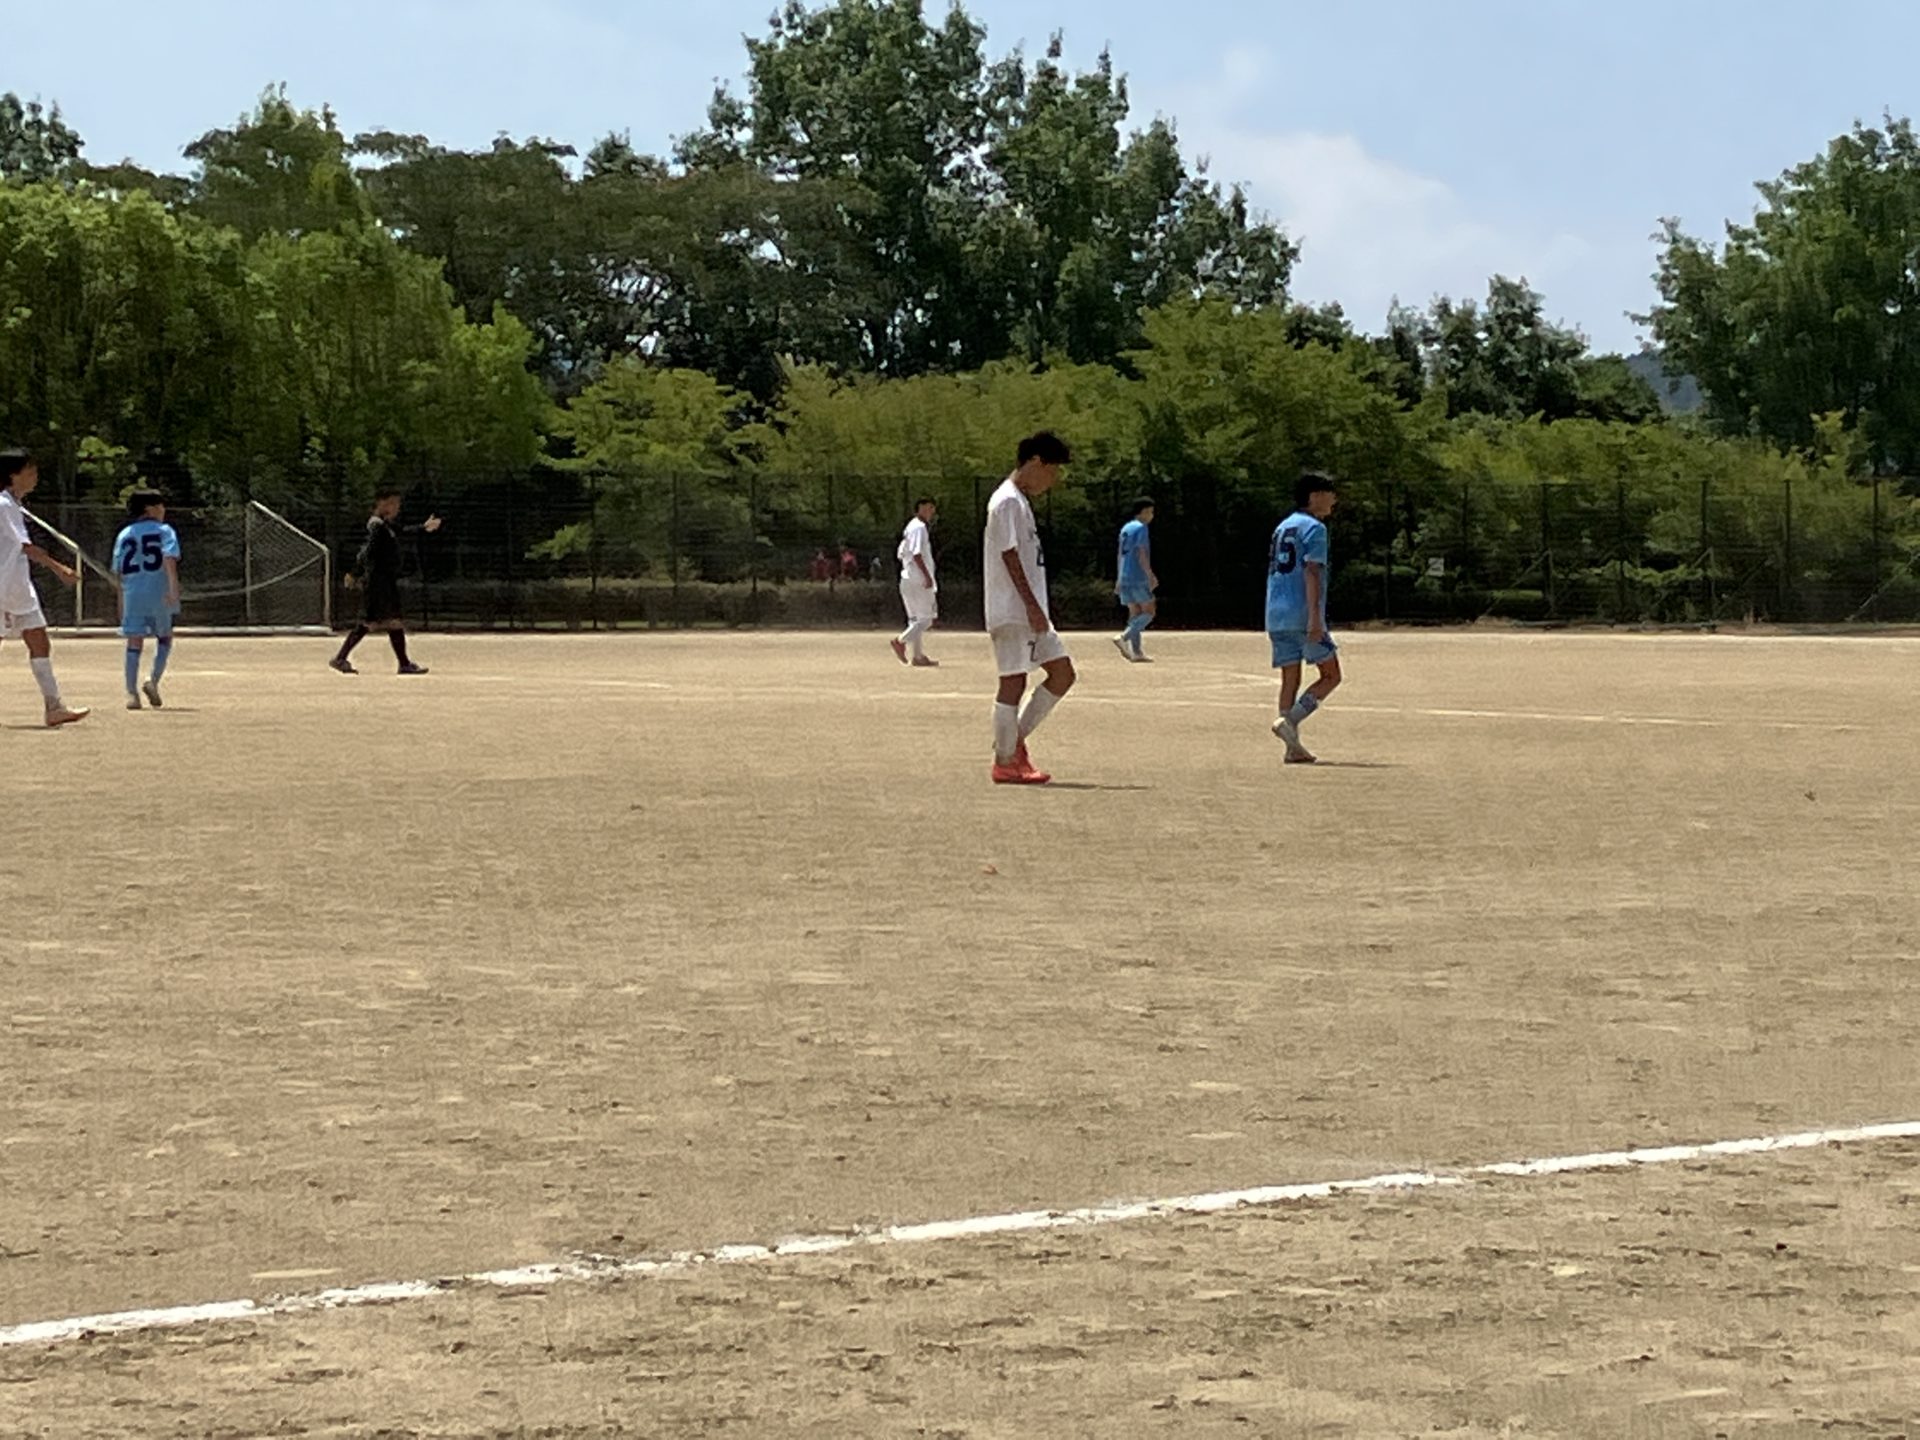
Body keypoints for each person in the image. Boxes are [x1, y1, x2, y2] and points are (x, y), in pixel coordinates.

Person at [985, 432, 1075, 785]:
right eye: (1052, 471)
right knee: (1013, 680)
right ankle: (1005, 760)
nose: (1052, 481)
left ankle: (1011, 743)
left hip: (1029, 611)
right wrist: (1031, 606)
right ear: (1036, 462)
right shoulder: (1006, 501)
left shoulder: (1019, 502)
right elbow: (1008, 555)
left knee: (1062, 673)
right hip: (1013, 610)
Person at [0, 450, 87, 727]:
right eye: (30, 471)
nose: (35, 477)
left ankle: (54, 706)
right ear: (13, 475)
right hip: (4, 586)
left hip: (17, 586)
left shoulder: (12, 504)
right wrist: (58, 568)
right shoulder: (4, 504)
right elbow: (25, 546)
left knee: (39, 640)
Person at [1268, 471, 1342, 764]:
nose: (1334, 499)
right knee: (1331, 675)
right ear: (1315, 496)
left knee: (1290, 677)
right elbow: (1312, 571)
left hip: (1276, 611)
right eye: (1330, 493)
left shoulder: (1282, 526)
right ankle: (1290, 721)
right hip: (1302, 612)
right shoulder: (1315, 528)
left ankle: (1292, 747)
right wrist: (1315, 618)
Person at [331, 489, 440, 675]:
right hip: (377, 582)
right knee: (371, 622)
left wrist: (423, 527)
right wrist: (355, 573)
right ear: (382, 503)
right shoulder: (376, 526)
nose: (396, 508)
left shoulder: (385, 525)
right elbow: (367, 552)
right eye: (393, 503)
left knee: (391, 621)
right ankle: (341, 658)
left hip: (386, 581)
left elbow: (403, 531)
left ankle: (403, 663)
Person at [113, 487, 181, 710]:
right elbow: (169, 559)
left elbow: (119, 571)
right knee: (164, 637)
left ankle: (132, 694)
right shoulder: (165, 531)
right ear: (149, 509)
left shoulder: (124, 534)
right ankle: (152, 680)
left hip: (132, 593)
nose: (163, 510)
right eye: (160, 505)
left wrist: (121, 601)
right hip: (158, 591)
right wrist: (173, 588)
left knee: (134, 641)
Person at [891, 497, 940, 667]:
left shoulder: (910, 527)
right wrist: (927, 576)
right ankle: (900, 641)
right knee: (927, 620)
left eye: (932, 508)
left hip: (907, 578)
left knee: (915, 620)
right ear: (920, 508)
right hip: (918, 580)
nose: (931, 511)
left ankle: (917, 656)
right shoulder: (919, 528)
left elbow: (902, 553)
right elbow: (917, 554)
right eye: (928, 507)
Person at [1111, 496, 1159, 662]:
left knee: (1135, 613)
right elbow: (1141, 552)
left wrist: (1119, 577)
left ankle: (1136, 652)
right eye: (1150, 512)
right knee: (1149, 611)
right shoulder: (1141, 528)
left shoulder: (1126, 528)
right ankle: (1124, 637)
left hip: (1125, 574)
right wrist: (1149, 574)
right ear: (1143, 512)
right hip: (1137, 574)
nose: (1151, 516)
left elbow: (1120, 554)